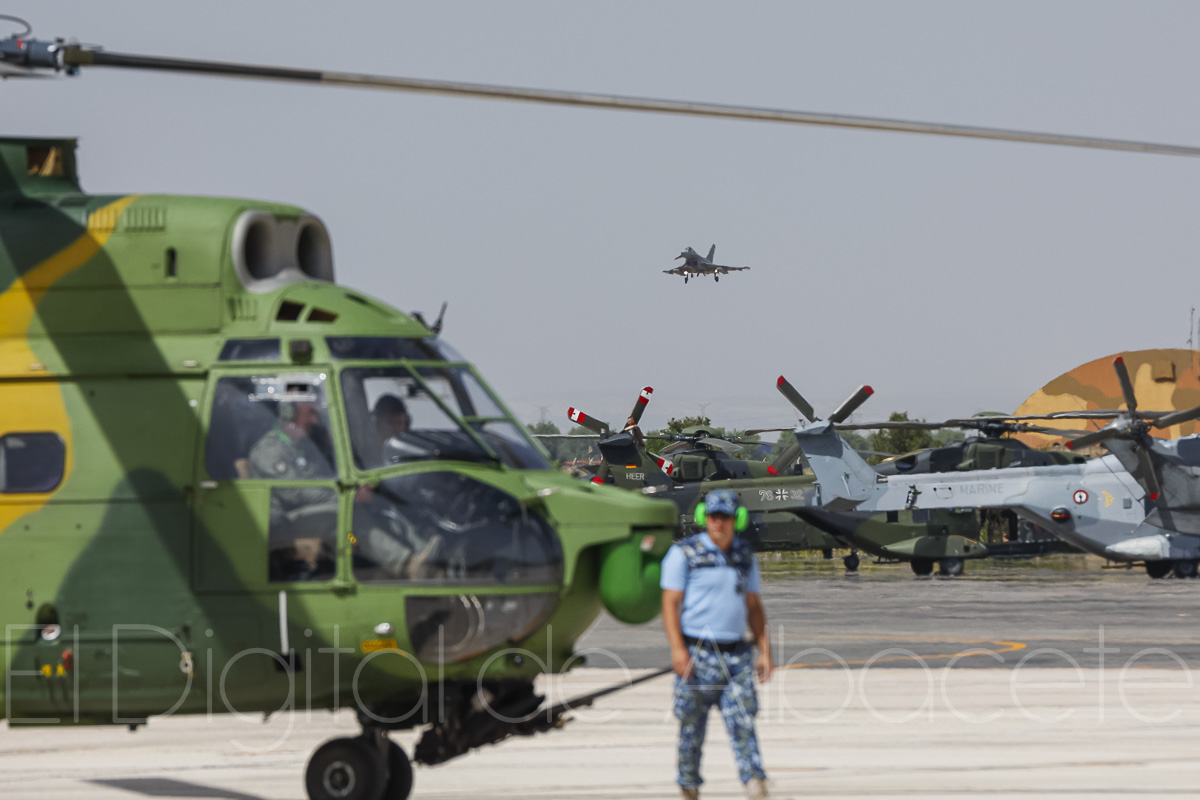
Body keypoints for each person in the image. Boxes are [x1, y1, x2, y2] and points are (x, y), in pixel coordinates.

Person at [660, 489, 772, 800]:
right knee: (691, 728)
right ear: (703, 518)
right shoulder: (684, 554)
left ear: (737, 520)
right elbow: (670, 604)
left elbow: (753, 607)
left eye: (725, 517)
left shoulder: (744, 556)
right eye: (713, 516)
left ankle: (755, 782)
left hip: (736, 657)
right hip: (697, 655)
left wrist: (765, 651)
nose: (718, 522)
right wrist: (678, 649)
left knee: (743, 723)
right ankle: (689, 783)